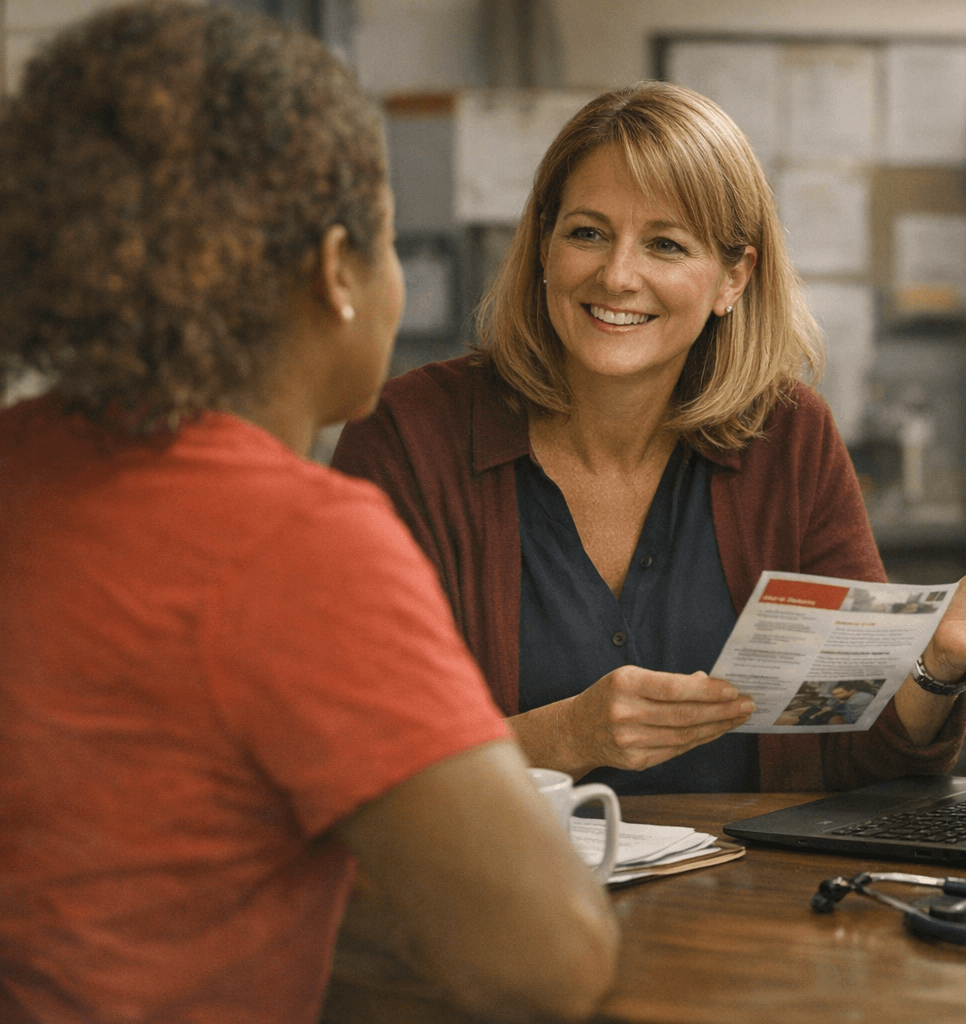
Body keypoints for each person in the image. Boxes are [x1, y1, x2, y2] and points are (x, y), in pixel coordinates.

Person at [0, 4, 617, 1023]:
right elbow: (549, 959)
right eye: (385, 239)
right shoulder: (299, 542)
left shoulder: (19, 459)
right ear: (336, 271)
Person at [334, 81, 966, 795]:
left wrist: (934, 663)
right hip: (500, 915)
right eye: (588, 233)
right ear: (543, 248)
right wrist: (560, 736)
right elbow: (347, 753)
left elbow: (854, 759)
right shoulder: (410, 438)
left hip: (744, 913)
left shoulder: (788, 438)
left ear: (734, 279)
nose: (618, 275)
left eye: (666, 244)